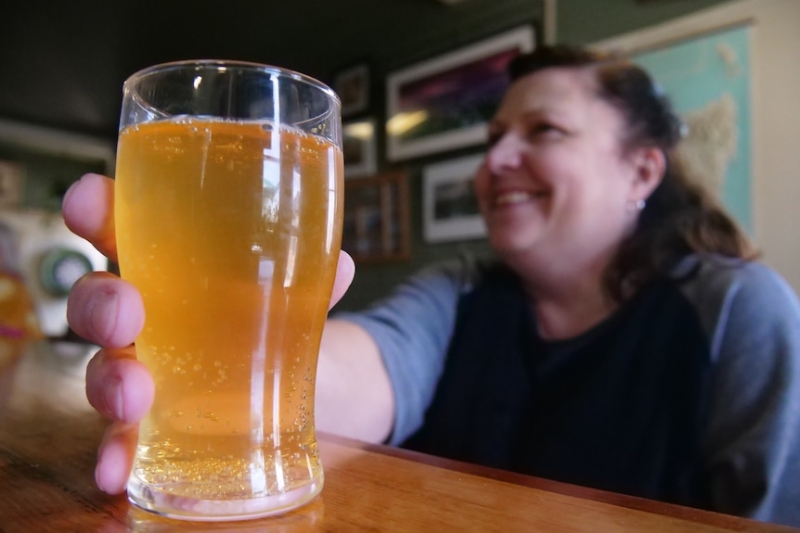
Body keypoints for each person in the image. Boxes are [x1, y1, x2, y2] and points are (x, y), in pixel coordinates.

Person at [63, 46, 800, 527]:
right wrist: (195, 382)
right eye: (492, 139)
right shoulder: (461, 291)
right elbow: (355, 375)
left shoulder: (737, 309)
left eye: (543, 131)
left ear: (642, 170)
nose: (498, 159)